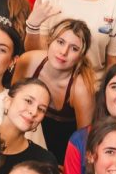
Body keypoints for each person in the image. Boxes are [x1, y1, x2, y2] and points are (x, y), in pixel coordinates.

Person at [12, 17, 96, 163]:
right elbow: (10, 106)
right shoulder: (28, 61)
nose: (64, 52)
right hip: (25, 141)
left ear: (80, 57)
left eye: (74, 48)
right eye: (60, 42)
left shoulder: (81, 88)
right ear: (50, 41)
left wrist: (70, 167)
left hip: (62, 155)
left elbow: (84, 141)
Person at [0, 78, 58, 174]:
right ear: (8, 102)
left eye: (41, 109)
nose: (34, 112)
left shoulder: (44, 161)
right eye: (28, 101)